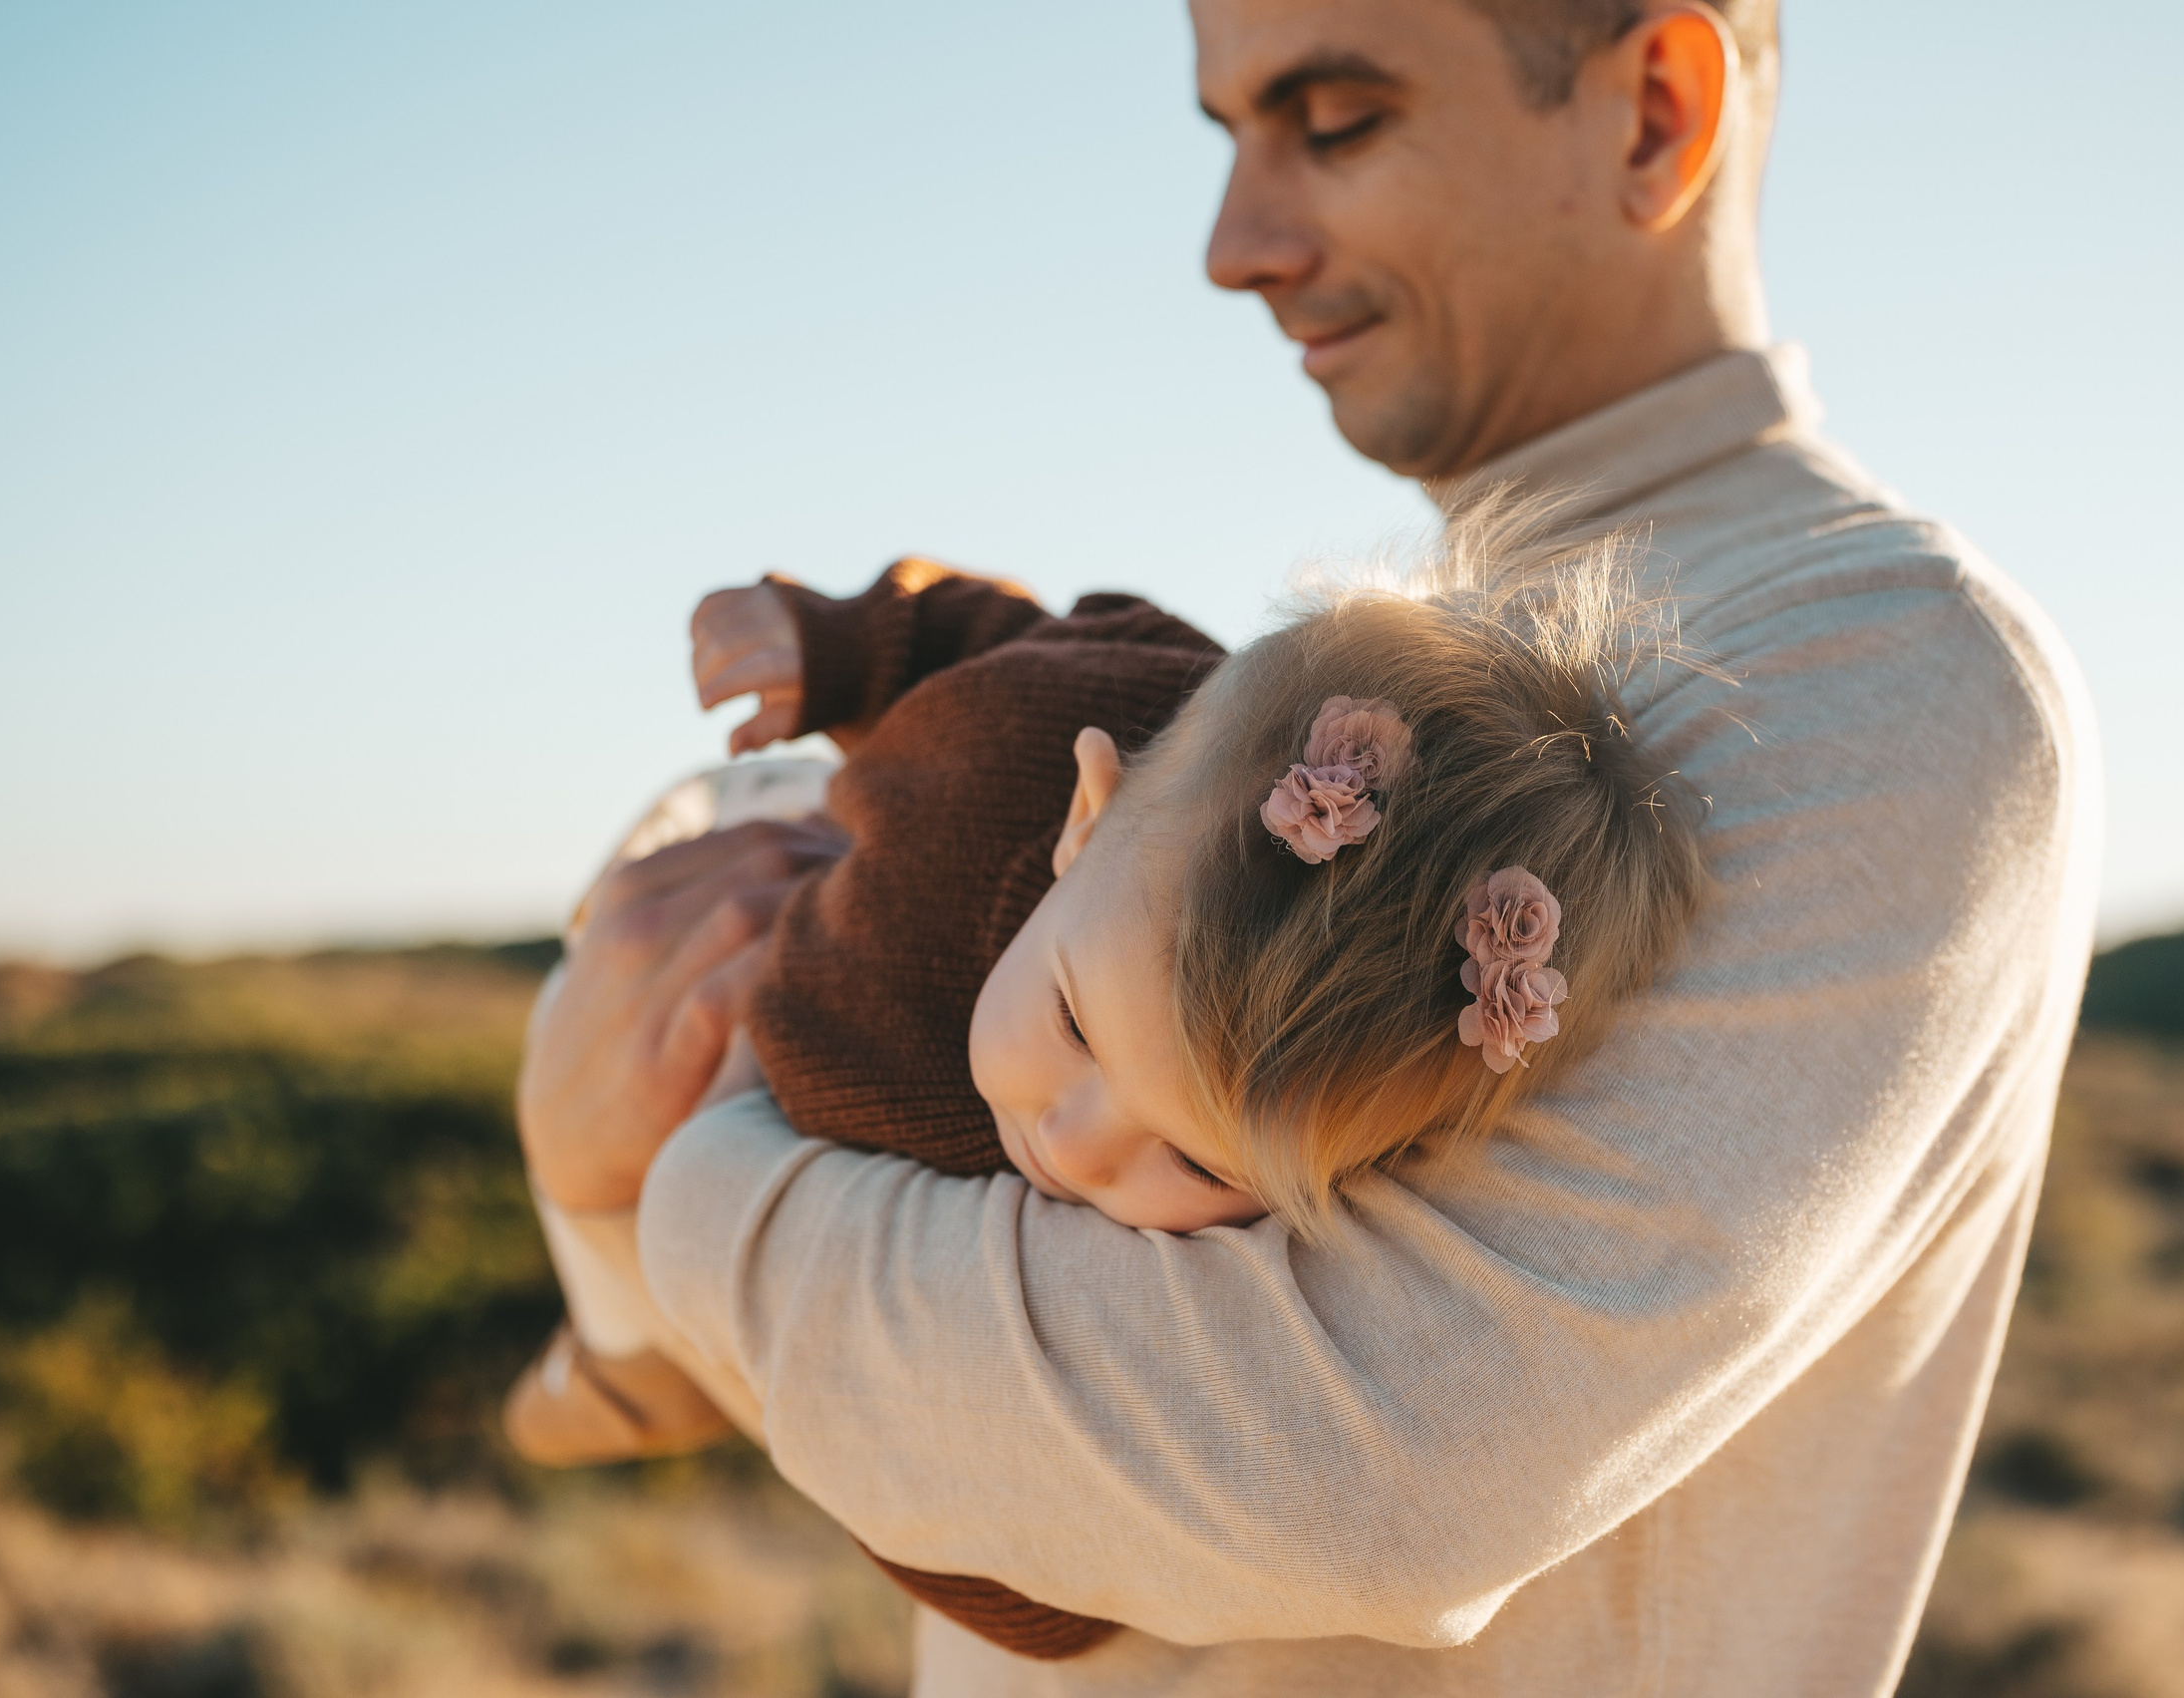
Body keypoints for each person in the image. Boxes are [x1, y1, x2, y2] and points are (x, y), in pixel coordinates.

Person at [516, 0, 2102, 1691]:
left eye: (1335, 121)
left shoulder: (1866, 659)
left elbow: (1350, 1469)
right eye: (1229, 137)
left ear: (1651, 110)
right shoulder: (1366, 670)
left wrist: (678, 1174)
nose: (1233, 246)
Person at [512, 538, 1703, 1658]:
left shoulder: (1041, 1213)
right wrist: (837, 642)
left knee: (617, 1156)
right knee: (600, 955)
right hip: (768, 822)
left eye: (1196, 1166)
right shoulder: (1121, 744)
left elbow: (989, 1534)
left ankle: (614, 1362)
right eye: (1076, 1024)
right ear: (1090, 811)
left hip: (735, 1079)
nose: (1074, 1145)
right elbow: (1001, 635)